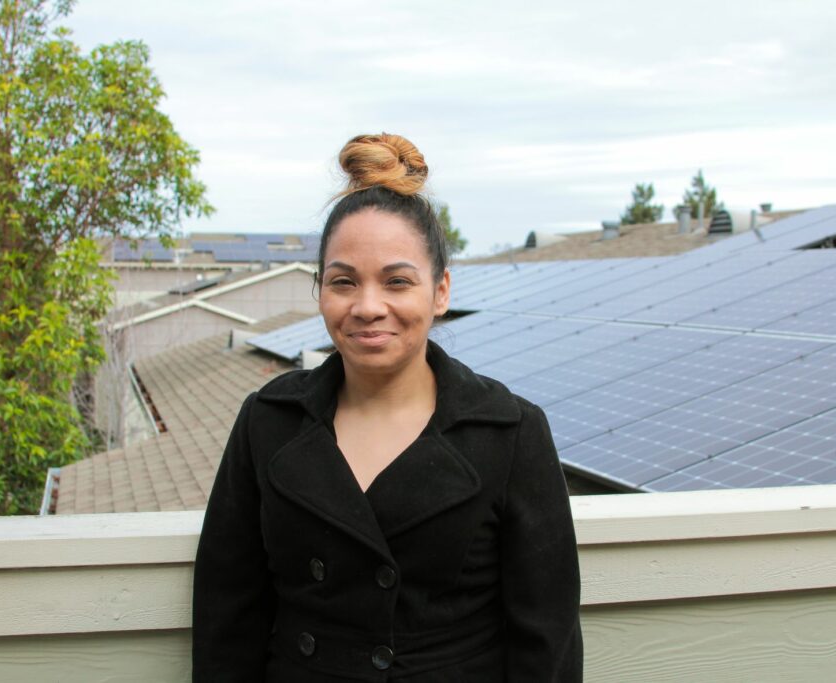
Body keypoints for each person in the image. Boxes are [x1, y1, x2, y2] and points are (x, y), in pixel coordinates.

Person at [193, 133, 582, 681]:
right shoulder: (268, 421)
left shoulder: (510, 432)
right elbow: (226, 620)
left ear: (440, 291)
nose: (368, 307)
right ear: (319, 291)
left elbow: (547, 641)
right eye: (343, 282)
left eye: (397, 282)